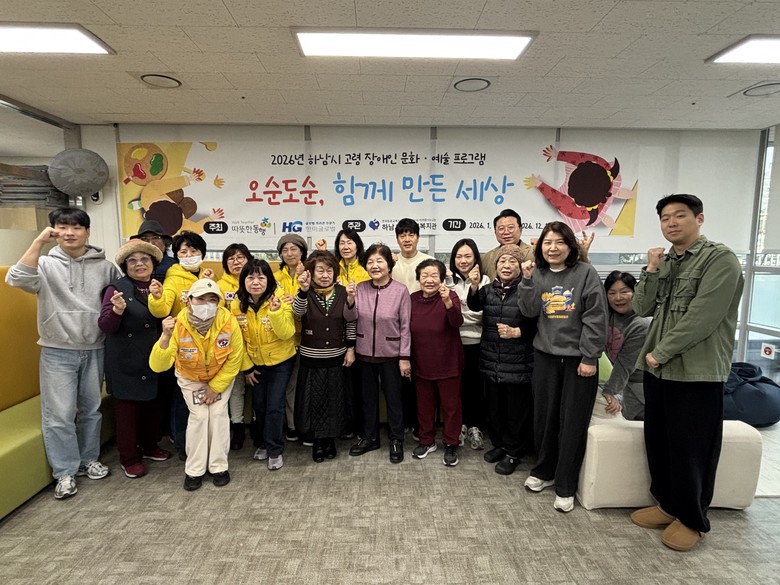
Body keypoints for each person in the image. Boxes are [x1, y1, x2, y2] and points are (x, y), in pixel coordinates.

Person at [629, 194, 744, 552]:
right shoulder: (667, 261)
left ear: (700, 218)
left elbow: (703, 317)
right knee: (659, 441)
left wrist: (660, 352)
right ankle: (667, 505)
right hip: (659, 371)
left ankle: (693, 519)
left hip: (696, 372)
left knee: (692, 449)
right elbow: (641, 306)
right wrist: (651, 270)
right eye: (665, 218)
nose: (672, 223)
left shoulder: (720, 259)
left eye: (680, 215)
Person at [5, 207, 119, 499]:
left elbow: (118, 299)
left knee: (91, 410)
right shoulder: (44, 263)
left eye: (76, 227)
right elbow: (16, 278)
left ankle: (88, 459)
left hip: (95, 347)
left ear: (87, 231)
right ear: (53, 230)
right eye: (63, 227)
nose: (69, 233)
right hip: (57, 350)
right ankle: (65, 472)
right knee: (60, 414)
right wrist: (38, 242)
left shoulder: (105, 267)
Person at [518, 221, 607, 513]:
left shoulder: (585, 273)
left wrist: (590, 357)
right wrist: (527, 280)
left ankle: (566, 484)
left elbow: (596, 317)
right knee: (544, 419)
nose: (552, 248)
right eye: (547, 242)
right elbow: (529, 311)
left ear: (570, 246)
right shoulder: (537, 273)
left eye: (559, 242)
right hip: (545, 356)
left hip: (578, 360)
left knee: (572, 422)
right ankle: (544, 471)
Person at [150, 278, 244, 491]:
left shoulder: (228, 321)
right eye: (200, 299)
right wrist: (165, 337)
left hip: (220, 377)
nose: (206, 304)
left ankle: (219, 467)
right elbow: (158, 366)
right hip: (191, 379)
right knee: (200, 417)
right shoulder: (178, 324)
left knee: (218, 415)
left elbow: (235, 358)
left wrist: (215, 387)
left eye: (212, 299)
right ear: (189, 300)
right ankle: (194, 469)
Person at [99, 239, 171, 479]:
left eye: (144, 259)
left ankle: (150, 446)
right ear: (125, 265)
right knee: (128, 413)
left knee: (153, 405)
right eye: (132, 261)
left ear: (153, 263)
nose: (139, 264)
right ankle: (129, 458)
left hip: (154, 357)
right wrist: (117, 310)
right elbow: (105, 325)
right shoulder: (116, 289)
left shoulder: (159, 287)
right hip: (126, 359)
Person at [467, 245, 536, 476]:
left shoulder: (527, 289)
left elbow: (538, 324)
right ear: (496, 266)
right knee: (495, 409)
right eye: (502, 262)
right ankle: (500, 445)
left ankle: (514, 452)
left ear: (520, 266)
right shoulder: (489, 290)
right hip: (491, 360)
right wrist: (474, 285)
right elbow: (475, 305)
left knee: (516, 412)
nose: (506, 266)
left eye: (512, 262)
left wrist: (517, 332)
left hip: (518, 363)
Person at [148, 230, 214, 460]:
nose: (189, 255)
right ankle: (183, 444)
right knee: (183, 399)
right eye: (183, 251)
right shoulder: (173, 278)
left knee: (206, 398)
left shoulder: (207, 276)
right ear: (176, 255)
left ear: (202, 253)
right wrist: (157, 297)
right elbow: (161, 310)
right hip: (184, 349)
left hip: (208, 349)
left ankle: (204, 442)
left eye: (193, 250)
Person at [232, 259, 297, 471]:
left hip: (281, 361)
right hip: (254, 363)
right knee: (259, 406)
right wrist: (247, 368)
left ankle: (275, 449)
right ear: (243, 281)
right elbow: (237, 341)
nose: (256, 282)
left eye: (261, 277)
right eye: (250, 277)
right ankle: (261, 443)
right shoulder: (236, 305)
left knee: (274, 406)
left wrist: (276, 312)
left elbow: (287, 333)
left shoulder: (281, 300)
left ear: (269, 280)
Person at [292, 251, 357, 462]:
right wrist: (303, 291)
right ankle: (318, 442)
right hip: (311, 358)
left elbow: (350, 322)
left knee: (335, 400)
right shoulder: (306, 292)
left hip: (337, 357)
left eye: (329, 270)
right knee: (314, 401)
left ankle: (330, 440)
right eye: (320, 270)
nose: (325, 275)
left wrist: (350, 348)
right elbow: (297, 312)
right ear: (311, 272)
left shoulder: (342, 292)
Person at [349, 243, 411, 464]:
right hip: (364, 352)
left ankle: (396, 439)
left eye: (379, 261)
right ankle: (370, 438)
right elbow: (350, 318)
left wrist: (404, 357)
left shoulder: (400, 291)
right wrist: (349, 300)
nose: (374, 266)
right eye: (370, 262)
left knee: (394, 399)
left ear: (389, 265)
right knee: (367, 399)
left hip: (391, 354)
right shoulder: (360, 288)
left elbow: (405, 326)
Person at [410, 259, 464, 466]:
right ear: (418, 279)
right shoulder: (412, 299)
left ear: (441, 279)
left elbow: (457, 322)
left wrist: (448, 302)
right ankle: (426, 441)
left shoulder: (450, 295)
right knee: (424, 406)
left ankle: (451, 443)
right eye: (424, 275)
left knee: (451, 407)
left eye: (434, 275)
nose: (429, 280)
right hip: (421, 361)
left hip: (448, 361)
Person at [389, 218, 433, 440]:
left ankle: (419, 423)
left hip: (422, 327)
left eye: (411, 234)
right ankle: (404, 421)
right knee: (400, 378)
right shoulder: (391, 263)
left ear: (418, 237)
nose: (407, 239)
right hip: (395, 328)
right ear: (397, 239)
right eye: (402, 235)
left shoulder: (428, 262)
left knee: (420, 377)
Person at [445, 238, 491, 450]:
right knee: (456, 388)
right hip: (453, 342)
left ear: (475, 259)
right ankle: (460, 426)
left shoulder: (485, 280)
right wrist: (464, 312)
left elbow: (481, 313)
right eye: (459, 256)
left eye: (468, 256)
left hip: (478, 342)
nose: (463, 261)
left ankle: (475, 426)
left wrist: (462, 313)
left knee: (475, 387)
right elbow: (448, 312)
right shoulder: (447, 280)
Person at [601, 271, 649, 421]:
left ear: (635, 293)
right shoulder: (608, 316)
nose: (618, 297)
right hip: (624, 383)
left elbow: (626, 364)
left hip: (642, 386)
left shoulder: (641, 324)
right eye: (612, 293)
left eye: (624, 292)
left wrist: (610, 391)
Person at [217, 243, 251, 449]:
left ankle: (256, 424)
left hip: (257, 344)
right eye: (231, 258)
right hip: (230, 347)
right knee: (236, 389)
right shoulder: (219, 286)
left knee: (258, 390)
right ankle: (237, 427)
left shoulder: (255, 280)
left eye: (240, 257)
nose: (236, 262)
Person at [274, 234, 307, 442]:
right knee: (290, 385)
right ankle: (293, 425)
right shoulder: (275, 278)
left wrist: (299, 297)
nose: (289, 254)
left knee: (308, 383)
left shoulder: (311, 274)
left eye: (294, 249)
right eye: (285, 250)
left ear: (302, 251)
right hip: (285, 338)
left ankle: (308, 424)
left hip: (309, 337)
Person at [481, 209, 534, 281]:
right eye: (501, 228)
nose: (506, 232)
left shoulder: (534, 253)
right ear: (495, 232)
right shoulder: (486, 258)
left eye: (511, 227)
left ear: (520, 230)